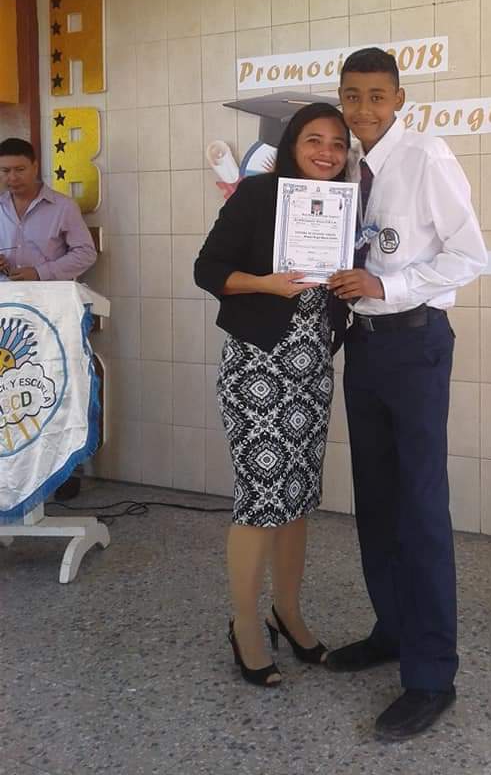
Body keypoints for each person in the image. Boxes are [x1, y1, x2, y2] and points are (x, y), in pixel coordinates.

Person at [327, 48, 488, 741]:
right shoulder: (344, 168)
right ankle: (392, 630)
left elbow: (469, 255)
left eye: (376, 96)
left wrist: (385, 285)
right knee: (376, 500)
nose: (363, 109)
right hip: (364, 345)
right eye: (351, 96)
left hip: (415, 344)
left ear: (399, 99)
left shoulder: (426, 156)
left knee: (420, 507)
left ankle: (431, 676)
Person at [194, 102, 350, 688]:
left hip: (312, 369)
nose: (327, 153)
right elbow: (208, 269)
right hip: (258, 367)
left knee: (298, 498)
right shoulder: (259, 195)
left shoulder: (343, 204)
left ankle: (287, 611)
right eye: (314, 140)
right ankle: (244, 624)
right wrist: (266, 284)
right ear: (291, 145)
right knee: (261, 499)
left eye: (337, 144)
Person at [0, 138, 97, 282]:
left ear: (35, 167)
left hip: (49, 293)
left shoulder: (63, 206)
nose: (13, 177)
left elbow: (86, 253)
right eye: (5, 171)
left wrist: (40, 273)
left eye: (20, 170)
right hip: (5, 293)